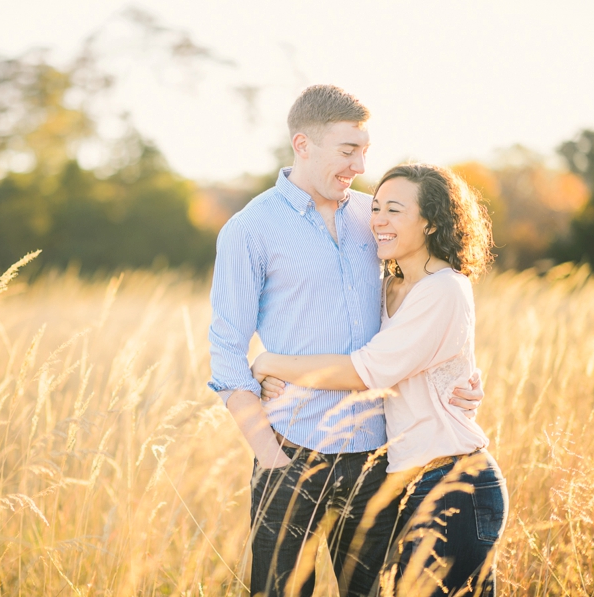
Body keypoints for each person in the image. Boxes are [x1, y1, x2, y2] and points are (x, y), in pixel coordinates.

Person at [208, 85, 485, 597]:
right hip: (293, 453)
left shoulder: (376, 216)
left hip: (378, 459)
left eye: (364, 150)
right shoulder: (250, 229)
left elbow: (425, 305)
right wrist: (271, 459)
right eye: (348, 151)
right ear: (303, 144)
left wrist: (460, 375)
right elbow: (226, 357)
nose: (360, 164)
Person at [251, 163, 508, 595]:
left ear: (429, 221)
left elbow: (366, 370)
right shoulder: (389, 285)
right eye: (375, 208)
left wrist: (270, 364)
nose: (378, 221)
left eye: (394, 210)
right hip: (411, 485)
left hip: (454, 484)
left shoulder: (444, 288)